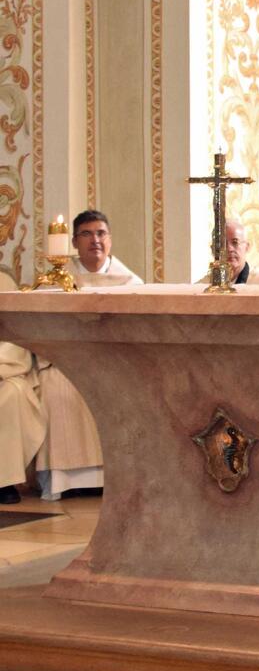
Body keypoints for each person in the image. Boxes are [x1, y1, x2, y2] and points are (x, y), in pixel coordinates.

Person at [37, 210, 143, 501]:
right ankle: (62, 480)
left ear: (110, 240)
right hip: (65, 361)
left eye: (101, 233)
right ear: (73, 242)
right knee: (53, 388)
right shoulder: (55, 281)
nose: (95, 240)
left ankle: (116, 477)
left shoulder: (131, 284)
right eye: (86, 234)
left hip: (112, 364)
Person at [0, 272, 46, 505]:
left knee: (13, 393)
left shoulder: (3, 283)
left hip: (4, 370)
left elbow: (15, 337)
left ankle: (4, 481)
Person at [197, 219, 259, 285]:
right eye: (222, 244)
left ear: (247, 247)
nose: (229, 249)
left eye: (235, 242)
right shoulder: (202, 288)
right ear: (213, 250)